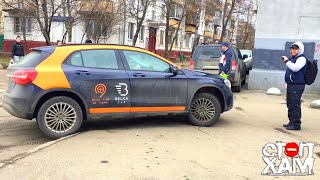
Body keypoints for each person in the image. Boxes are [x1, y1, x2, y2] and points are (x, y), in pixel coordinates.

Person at [281, 41, 307, 130]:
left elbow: (295, 68)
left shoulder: (301, 59)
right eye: (292, 49)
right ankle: (291, 122)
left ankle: (296, 124)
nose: (294, 51)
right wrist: (287, 82)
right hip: (291, 84)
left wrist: (286, 61)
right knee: (290, 104)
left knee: (295, 104)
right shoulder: (293, 58)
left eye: (296, 49)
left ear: (300, 50)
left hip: (297, 85)